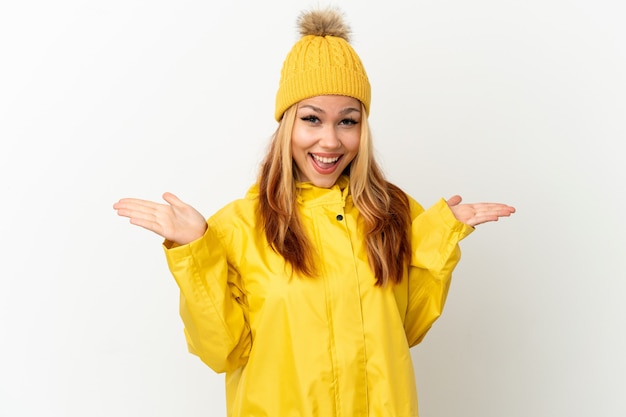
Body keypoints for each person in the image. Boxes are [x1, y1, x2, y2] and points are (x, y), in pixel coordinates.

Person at [113, 7, 515, 417]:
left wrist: (436, 240)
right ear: (287, 123)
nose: (330, 141)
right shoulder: (236, 228)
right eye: (312, 119)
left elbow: (406, 330)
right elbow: (222, 352)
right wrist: (196, 251)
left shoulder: (394, 213)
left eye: (348, 121)